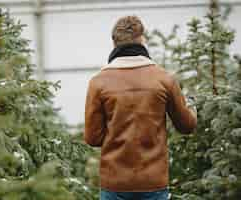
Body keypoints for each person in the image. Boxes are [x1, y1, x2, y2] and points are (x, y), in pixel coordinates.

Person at [84, 16, 197, 200]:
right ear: (142, 39)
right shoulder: (164, 78)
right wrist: (191, 104)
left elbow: (93, 138)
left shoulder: (99, 82)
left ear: (114, 43)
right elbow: (187, 126)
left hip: (115, 184)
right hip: (154, 183)